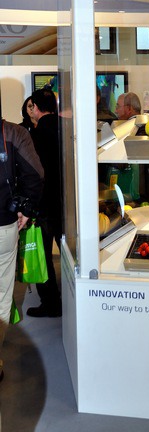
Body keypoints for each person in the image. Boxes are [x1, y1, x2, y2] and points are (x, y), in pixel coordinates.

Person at [0, 117, 44, 380]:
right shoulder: (13, 133)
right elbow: (35, 174)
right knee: (2, 295)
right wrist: (26, 210)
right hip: (4, 226)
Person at [27, 88, 62, 318]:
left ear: (36, 108)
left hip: (44, 203)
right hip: (64, 201)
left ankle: (51, 303)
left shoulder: (36, 134)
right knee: (68, 252)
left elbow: (33, 172)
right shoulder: (65, 129)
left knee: (43, 255)